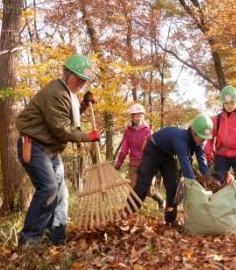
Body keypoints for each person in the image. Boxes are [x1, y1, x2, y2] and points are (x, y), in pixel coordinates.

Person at [16, 54, 100, 246]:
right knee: (48, 188)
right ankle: (29, 240)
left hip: (50, 150)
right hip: (34, 146)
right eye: (78, 79)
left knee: (62, 194)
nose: (81, 84)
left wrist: (84, 105)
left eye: (84, 81)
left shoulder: (68, 93)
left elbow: (68, 116)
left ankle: (57, 237)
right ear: (65, 73)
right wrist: (88, 136)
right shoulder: (55, 92)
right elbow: (62, 129)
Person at [126, 114, 213, 226]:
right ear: (194, 132)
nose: (203, 142)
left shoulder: (198, 142)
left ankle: (170, 221)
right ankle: (127, 214)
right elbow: (185, 163)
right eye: (201, 138)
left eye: (205, 139)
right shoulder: (181, 138)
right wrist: (193, 184)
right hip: (153, 151)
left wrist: (208, 181)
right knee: (143, 184)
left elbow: (203, 162)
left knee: (173, 186)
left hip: (167, 155)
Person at [114, 103, 164, 208]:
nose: (139, 118)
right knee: (133, 190)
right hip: (134, 164)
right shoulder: (128, 132)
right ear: (132, 117)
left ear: (143, 116)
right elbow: (124, 150)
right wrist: (118, 163)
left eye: (141, 115)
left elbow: (154, 147)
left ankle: (160, 201)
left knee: (149, 191)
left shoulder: (147, 131)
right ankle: (131, 211)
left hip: (147, 164)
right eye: (136, 115)